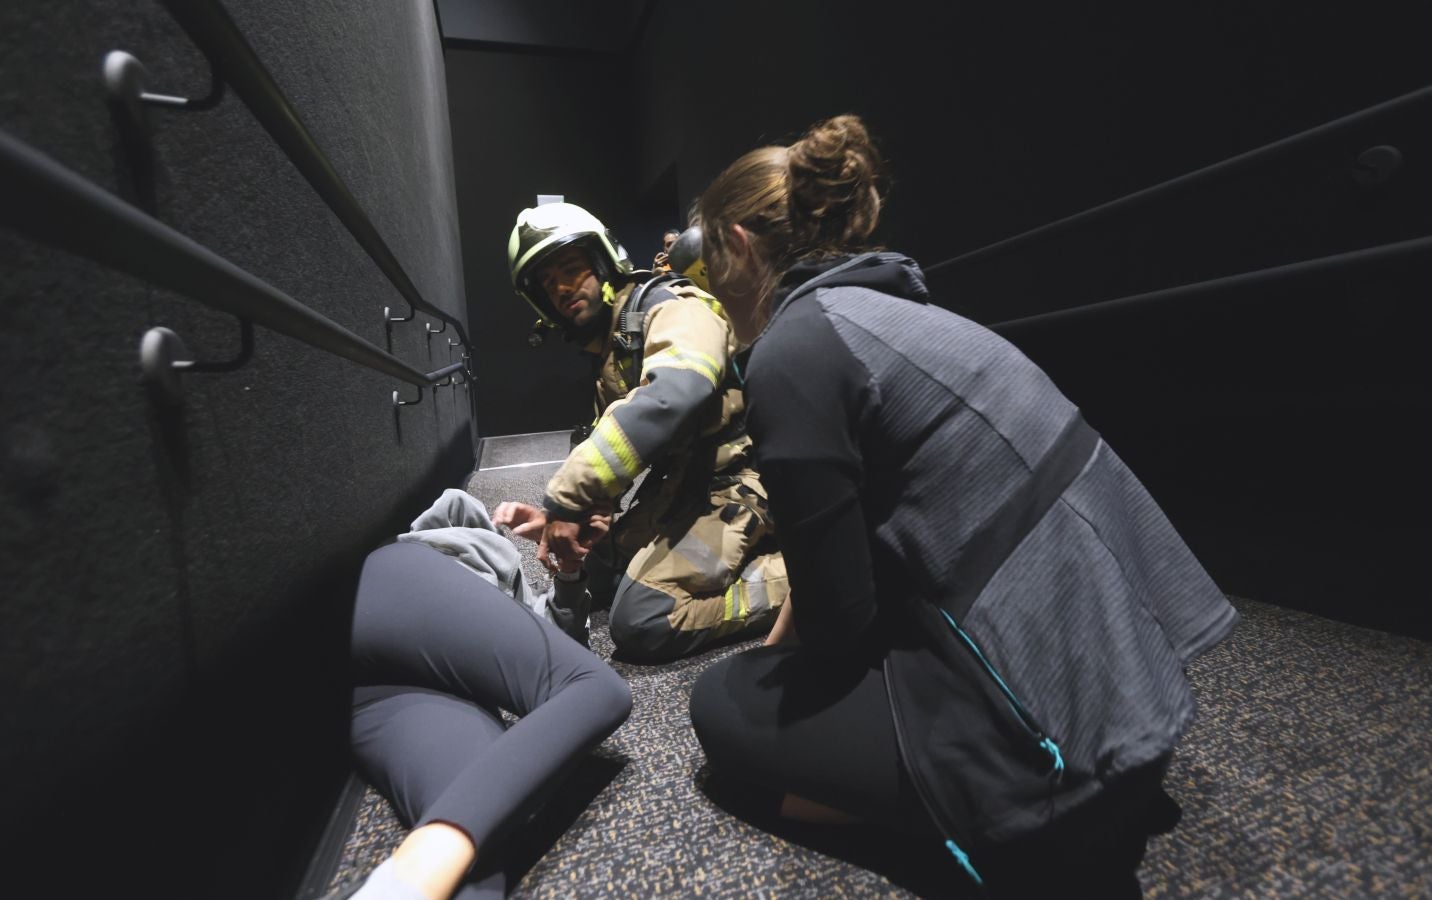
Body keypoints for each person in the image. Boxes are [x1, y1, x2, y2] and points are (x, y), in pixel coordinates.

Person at [687, 115, 1238, 895]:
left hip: (1058, 768)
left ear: (741, 246)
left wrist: (768, 671)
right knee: (780, 673)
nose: (714, 297)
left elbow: (840, 630)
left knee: (719, 708)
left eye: (712, 271)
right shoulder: (903, 314)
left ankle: (981, 813)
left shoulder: (793, 350)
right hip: (1134, 714)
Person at [500, 202, 789, 662]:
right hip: (689, 482)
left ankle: (801, 574)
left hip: (748, 484)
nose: (562, 289)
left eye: (571, 270)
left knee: (644, 618)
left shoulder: (673, 307)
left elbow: (674, 394)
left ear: (602, 263)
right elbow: (617, 446)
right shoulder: (616, 346)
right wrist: (569, 521)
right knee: (600, 573)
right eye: (548, 284)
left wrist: (566, 500)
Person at [329, 490, 632, 900]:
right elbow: (450, 504)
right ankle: (400, 883)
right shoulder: (478, 540)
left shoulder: (523, 608)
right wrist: (517, 525)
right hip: (403, 590)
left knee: (482, 863)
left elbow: (561, 651)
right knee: (598, 690)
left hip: (390, 689)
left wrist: (571, 569)